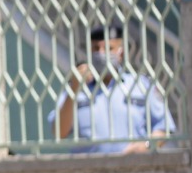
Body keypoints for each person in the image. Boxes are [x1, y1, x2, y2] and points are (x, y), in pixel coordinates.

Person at [50, 22, 176, 153]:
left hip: (134, 164)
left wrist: (145, 146)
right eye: (96, 48)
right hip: (90, 165)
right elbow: (59, 132)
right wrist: (74, 88)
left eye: (108, 48)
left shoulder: (140, 85)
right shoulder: (77, 88)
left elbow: (164, 126)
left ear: (121, 53)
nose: (101, 53)